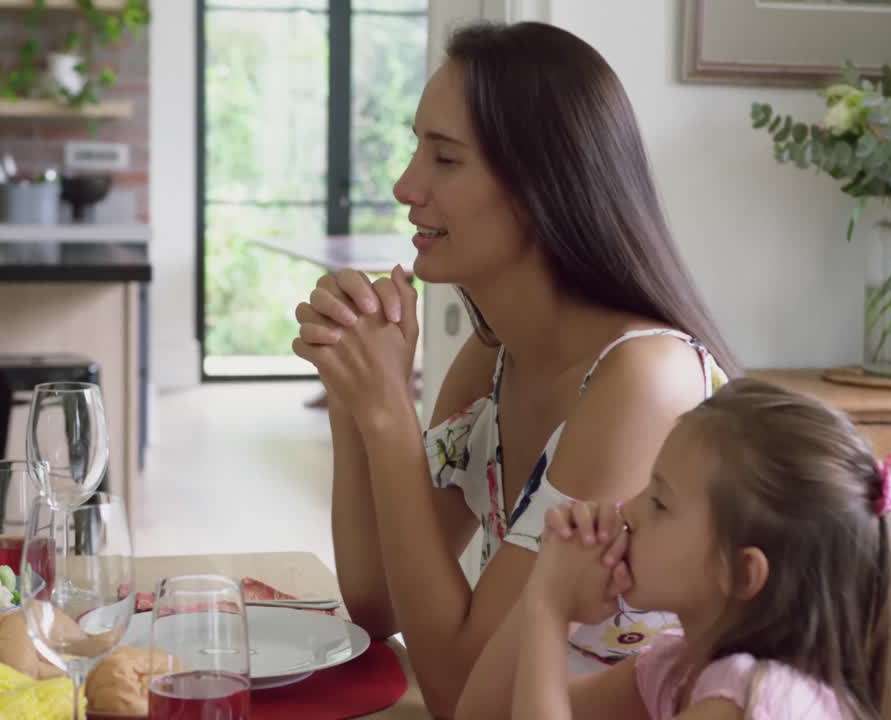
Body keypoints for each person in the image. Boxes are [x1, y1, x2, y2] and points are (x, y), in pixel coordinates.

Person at [292, 20, 737, 716]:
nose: (406, 186)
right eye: (417, 151)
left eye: (445, 159)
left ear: (541, 185)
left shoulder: (643, 380)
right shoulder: (493, 354)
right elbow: (376, 603)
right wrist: (352, 387)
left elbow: (459, 691)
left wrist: (388, 413)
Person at [500, 378, 891, 720]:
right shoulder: (678, 666)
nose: (628, 509)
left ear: (739, 573)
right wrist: (556, 596)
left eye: (660, 503)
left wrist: (551, 609)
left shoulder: (753, 700)